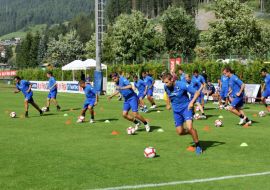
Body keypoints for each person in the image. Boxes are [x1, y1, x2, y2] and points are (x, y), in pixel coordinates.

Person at [163, 73, 203, 155]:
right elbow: (167, 95)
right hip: (176, 111)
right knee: (180, 132)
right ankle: (191, 132)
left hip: (186, 108)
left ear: (172, 80)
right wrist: (167, 104)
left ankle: (198, 146)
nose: (165, 84)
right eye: (164, 82)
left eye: (167, 82)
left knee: (189, 127)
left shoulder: (182, 85)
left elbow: (197, 93)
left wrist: (191, 102)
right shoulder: (166, 87)